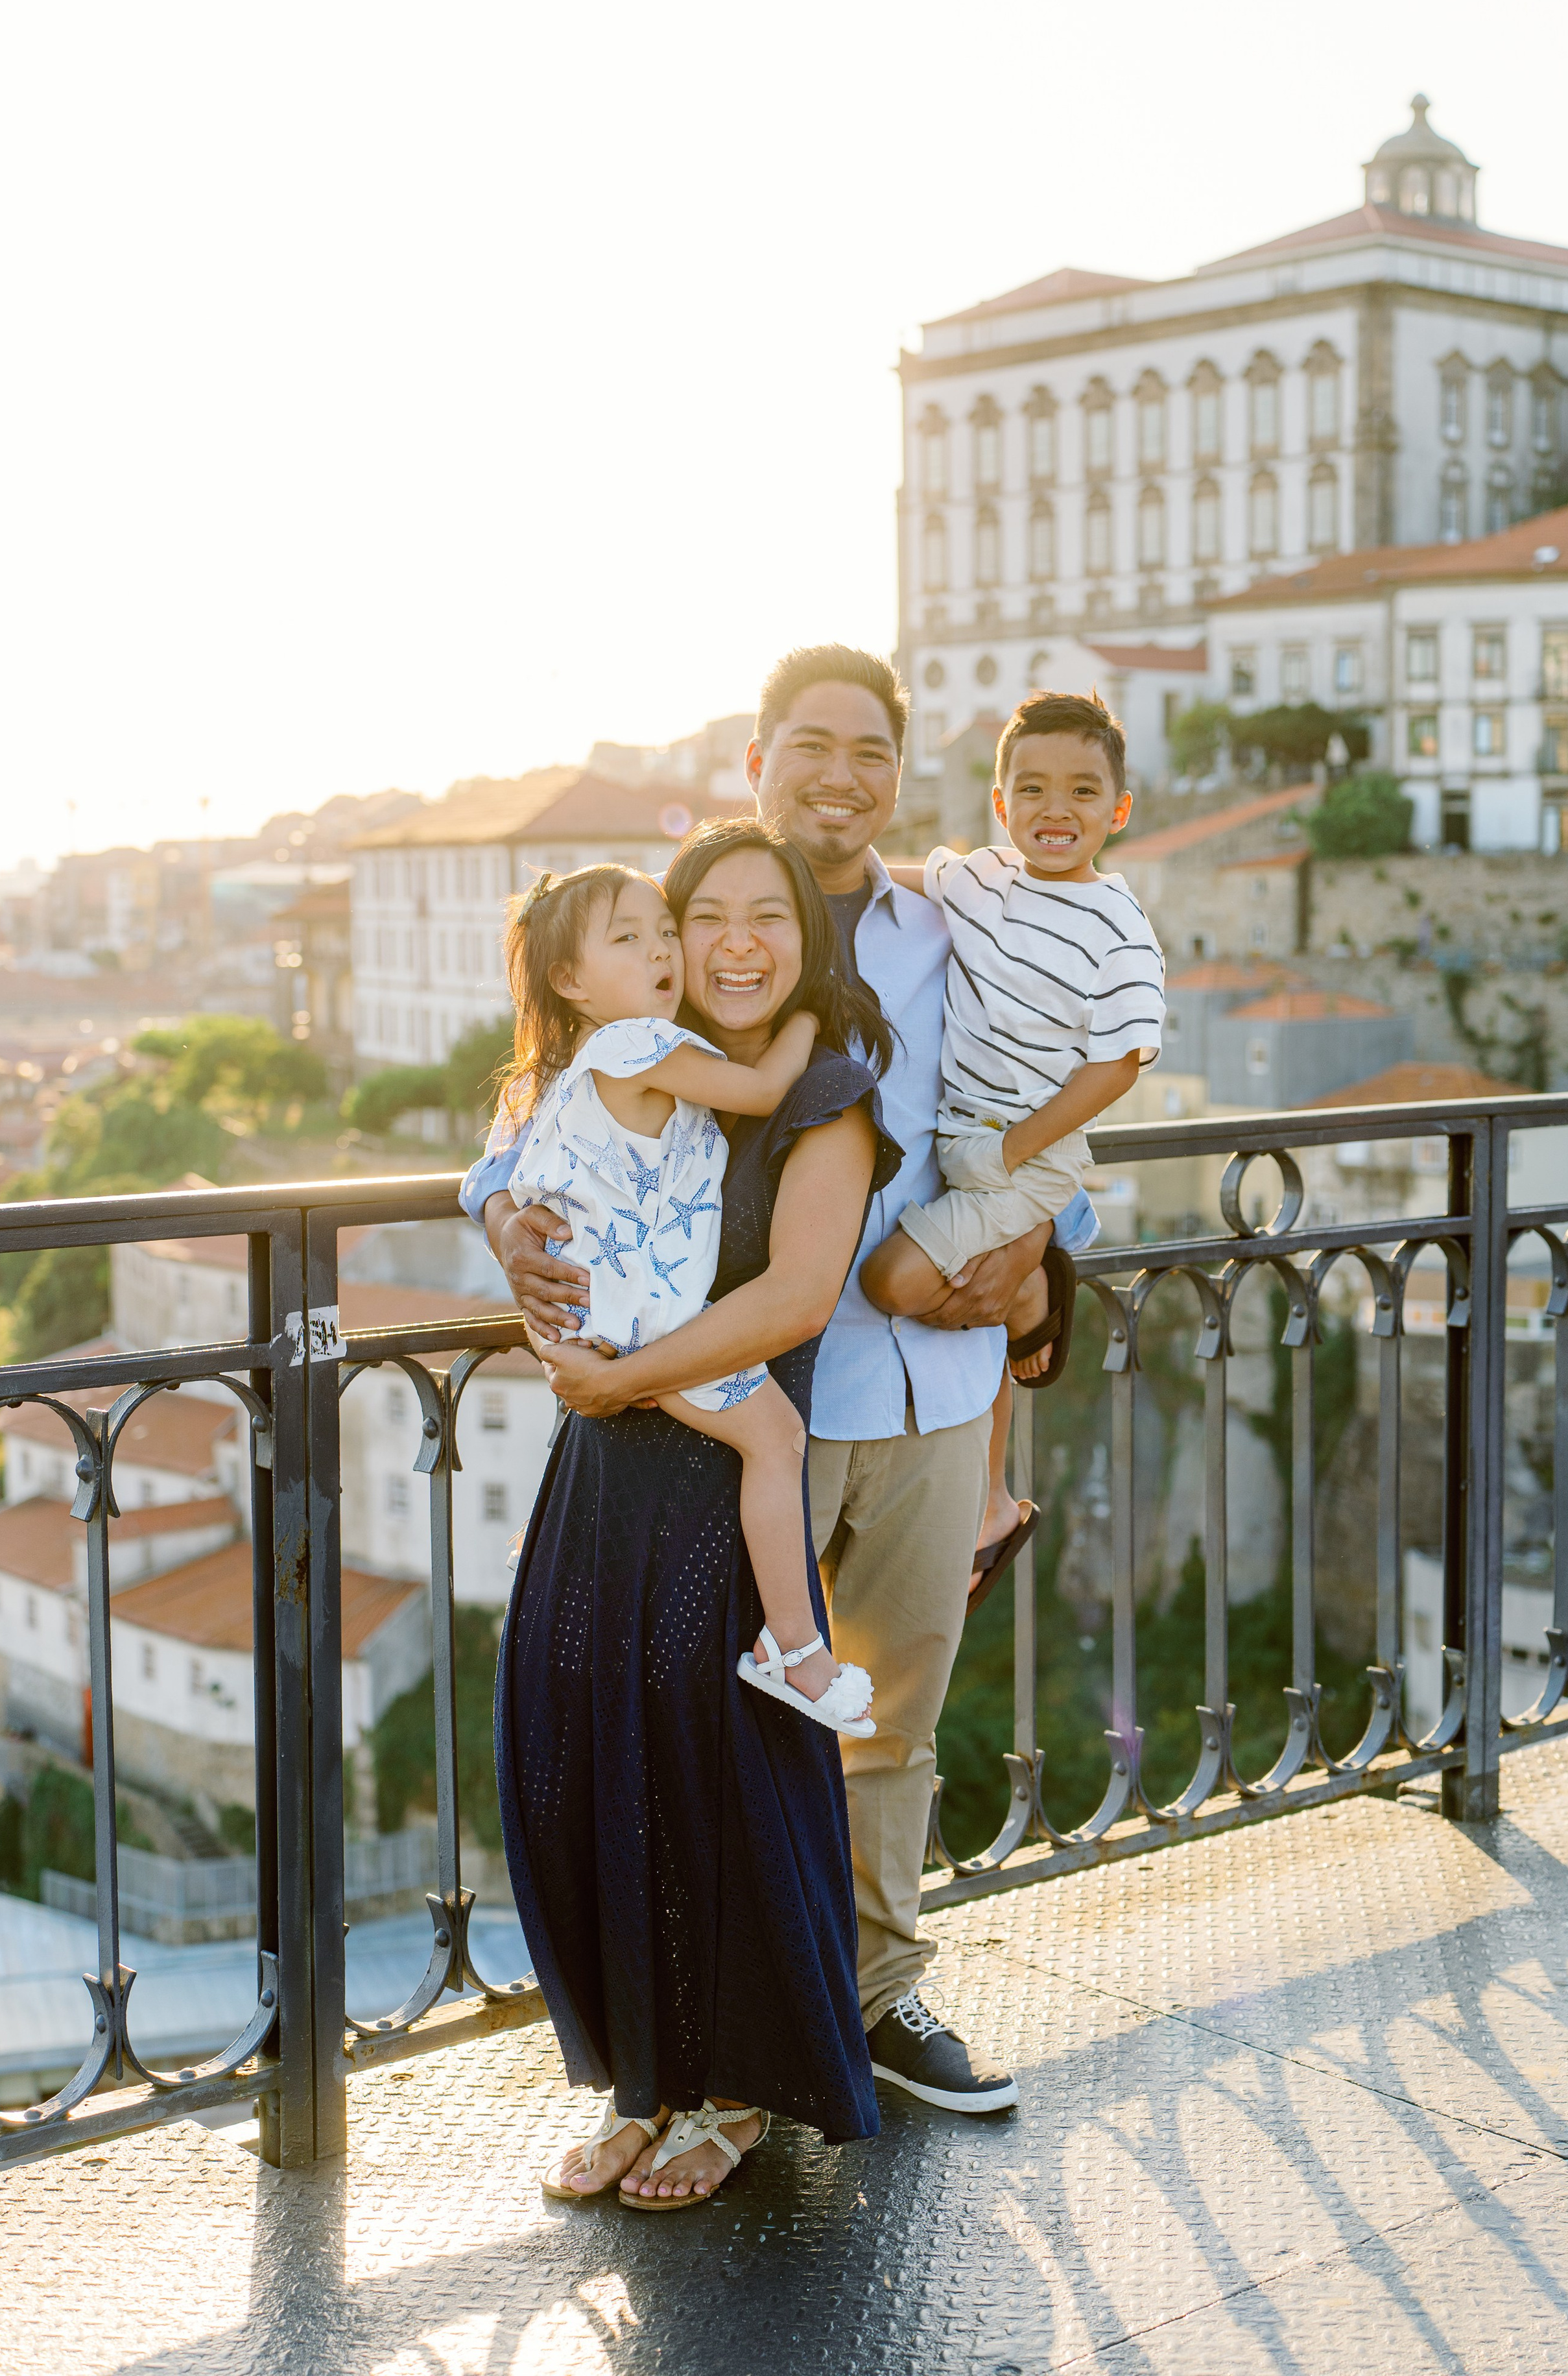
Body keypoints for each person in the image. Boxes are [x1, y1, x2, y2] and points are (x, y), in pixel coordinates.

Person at [472, 645, 1092, 2117]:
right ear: (756, 762)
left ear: (901, 772)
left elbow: (1045, 1094)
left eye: (869, 749)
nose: (839, 775)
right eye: (809, 745)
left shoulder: (961, 924)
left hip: (935, 1384)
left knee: (892, 1723)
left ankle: (873, 1995)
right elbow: (545, 1099)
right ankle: (738, 2064)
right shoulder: (678, 938)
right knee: (732, 1737)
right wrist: (502, 1215)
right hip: (760, 1392)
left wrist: (1050, 1249)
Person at [476, 819, 902, 2207]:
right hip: (607, 1470)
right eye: (696, 916)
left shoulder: (823, 1092)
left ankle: (734, 2092)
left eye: (763, 916)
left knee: (722, 1783)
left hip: (714, 1478)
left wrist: (616, 1378)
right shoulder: (628, 1063)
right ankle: (642, 2081)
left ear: (804, 938)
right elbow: (512, 1165)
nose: (726, 943)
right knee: (600, 1767)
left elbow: (795, 1298)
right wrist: (511, 1231)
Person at [495, 859, 873, 1732]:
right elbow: (765, 1090)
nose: (662, 952)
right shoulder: (638, 1045)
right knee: (777, 1438)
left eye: (664, 932)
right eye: (631, 939)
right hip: (644, 1315)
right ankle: (796, 1650)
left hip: (612, 1314)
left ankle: (789, 1647)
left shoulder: (588, 1062)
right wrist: (810, 1016)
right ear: (570, 980)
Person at [861, 691, 1165, 1596]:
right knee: (969, 1291)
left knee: (892, 1283)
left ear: (1119, 810)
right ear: (1001, 803)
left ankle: (1032, 1282)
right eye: (1032, 788)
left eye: (1082, 791)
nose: (1054, 809)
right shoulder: (984, 878)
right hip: (962, 1142)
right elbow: (886, 876)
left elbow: (1119, 1066)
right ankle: (992, 1499)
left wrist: (1014, 1152)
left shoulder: (1120, 927)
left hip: (1022, 1158)